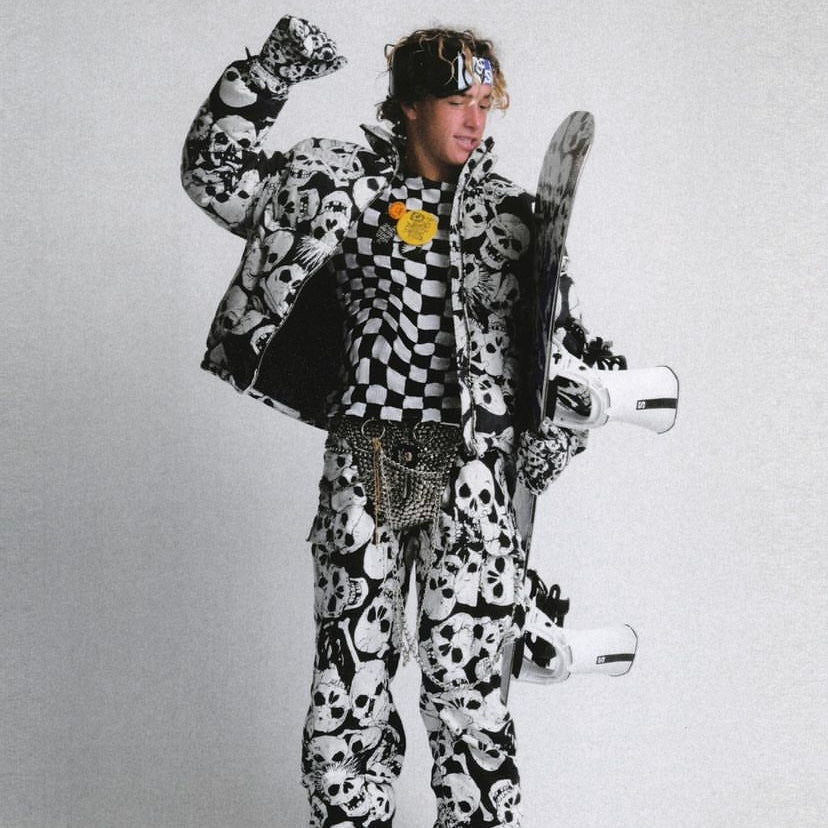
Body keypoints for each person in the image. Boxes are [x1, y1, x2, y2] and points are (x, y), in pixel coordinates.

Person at [181, 15, 602, 827]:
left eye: (485, 104)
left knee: (466, 673)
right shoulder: (340, 185)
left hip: (474, 468)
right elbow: (216, 175)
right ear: (410, 105)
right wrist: (268, 73)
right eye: (456, 102)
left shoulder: (514, 220)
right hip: (378, 451)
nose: (475, 122)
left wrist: (558, 437)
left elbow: (565, 348)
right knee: (354, 669)